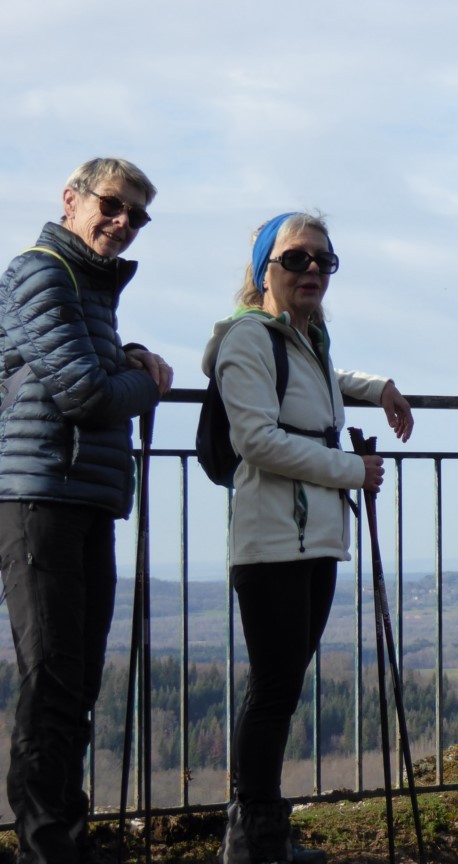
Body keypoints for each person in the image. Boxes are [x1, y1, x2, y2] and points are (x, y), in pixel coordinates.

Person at [202, 212, 414, 864]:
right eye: (296, 259)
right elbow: (255, 439)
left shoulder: (305, 337)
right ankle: (251, 840)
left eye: (325, 260)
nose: (314, 270)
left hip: (313, 537)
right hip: (271, 541)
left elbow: (317, 386)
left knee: (283, 686)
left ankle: (262, 834)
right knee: (272, 690)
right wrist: (354, 469)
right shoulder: (247, 339)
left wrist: (375, 388)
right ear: (265, 269)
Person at [0, 157, 172, 864]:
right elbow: (88, 396)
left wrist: (126, 354)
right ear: (71, 198)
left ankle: (61, 838)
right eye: (112, 204)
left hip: (77, 495)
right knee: (52, 681)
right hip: (40, 497)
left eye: (137, 215)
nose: (123, 222)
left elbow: (89, 368)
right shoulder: (43, 271)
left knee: (73, 681)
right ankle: (47, 847)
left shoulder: (86, 287)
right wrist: (142, 380)